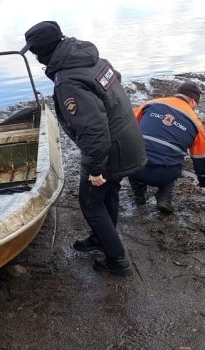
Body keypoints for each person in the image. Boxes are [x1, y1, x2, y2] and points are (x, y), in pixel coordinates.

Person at [20, 21, 147, 276]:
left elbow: (94, 130)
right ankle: (101, 238)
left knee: (90, 203)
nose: (34, 56)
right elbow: (116, 81)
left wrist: (95, 169)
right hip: (126, 138)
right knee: (108, 192)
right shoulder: (89, 58)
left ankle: (118, 260)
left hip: (110, 148)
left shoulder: (69, 80)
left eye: (34, 52)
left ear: (41, 52)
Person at [128, 81, 205, 213]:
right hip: (165, 174)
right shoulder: (196, 123)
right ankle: (164, 197)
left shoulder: (151, 104)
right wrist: (204, 180)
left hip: (136, 169)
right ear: (193, 101)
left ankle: (140, 196)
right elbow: (202, 157)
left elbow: (127, 125)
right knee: (173, 161)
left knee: (136, 152)